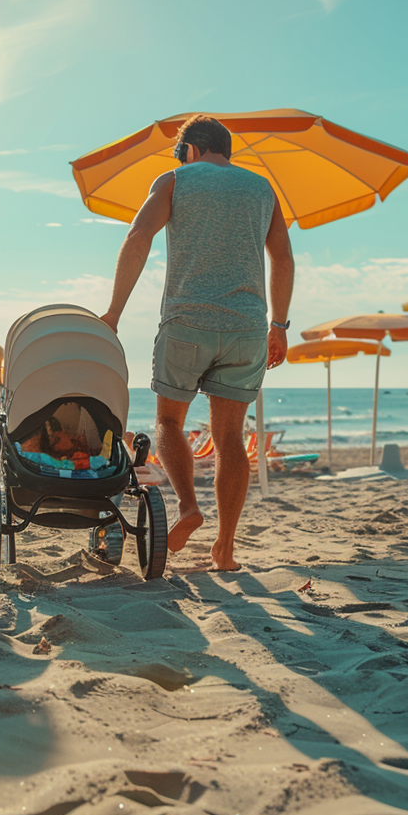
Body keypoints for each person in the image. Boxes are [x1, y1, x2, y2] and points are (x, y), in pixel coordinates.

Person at [99, 115, 295, 572]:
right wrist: (280, 325)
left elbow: (138, 236)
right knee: (229, 438)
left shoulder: (174, 180)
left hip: (188, 322)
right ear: (224, 149)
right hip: (248, 327)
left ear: (189, 149)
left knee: (168, 420)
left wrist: (114, 311)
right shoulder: (262, 189)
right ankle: (224, 550)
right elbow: (282, 256)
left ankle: (188, 506)